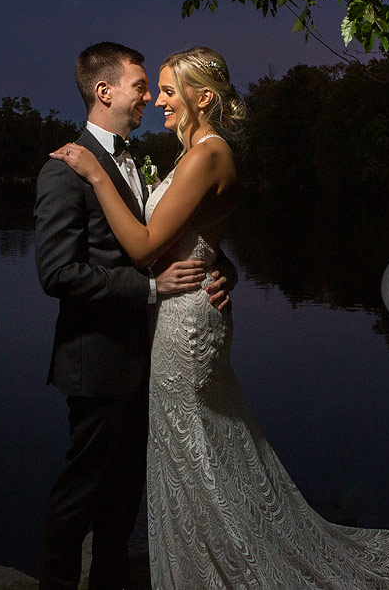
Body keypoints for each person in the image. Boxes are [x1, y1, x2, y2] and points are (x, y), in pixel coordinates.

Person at [50, 46, 389, 589]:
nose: (158, 101)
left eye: (169, 91)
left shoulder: (207, 155)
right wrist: (221, 266)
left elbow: (152, 246)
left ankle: (221, 566)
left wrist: (100, 180)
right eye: (153, 88)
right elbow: (194, 238)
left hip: (184, 323)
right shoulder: (190, 153)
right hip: (167, 317)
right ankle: (200, 561)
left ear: (204, 97)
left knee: (197, 449)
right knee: (192, 451)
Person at [34, 42, 237, 590]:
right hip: (97, 360)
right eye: (141, 86)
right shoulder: (65, 170)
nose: (150, 96)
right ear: (105, 92)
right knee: (80, 494)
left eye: (157, 88)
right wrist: (148, 287)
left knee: (122, 500)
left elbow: (185, 236)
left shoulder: (139, 159)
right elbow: (58, 274)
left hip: (151, 356)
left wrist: (222, 271)